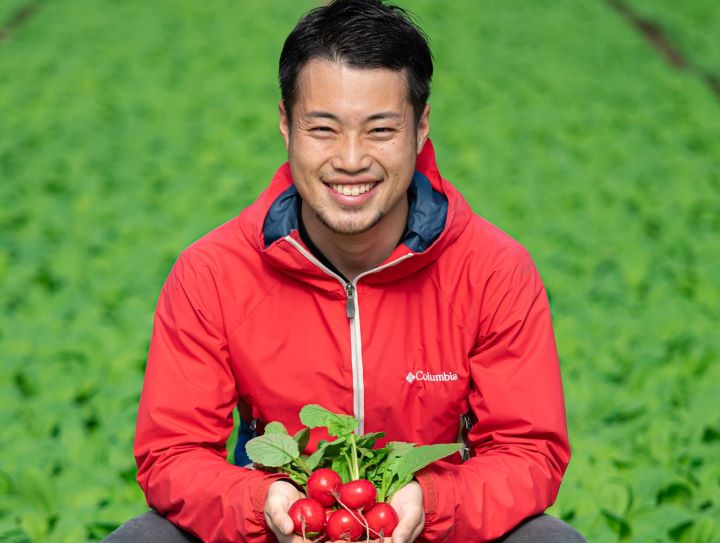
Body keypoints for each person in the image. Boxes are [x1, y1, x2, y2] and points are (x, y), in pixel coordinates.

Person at [105, 1, 586, 542]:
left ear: (421, 127)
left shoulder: (493, 271)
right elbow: (173, 452)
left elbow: (529, 451)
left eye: (380, 130)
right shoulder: (212, 273)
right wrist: (265, 504)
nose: (352, 159)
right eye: (324, 129)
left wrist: (430, 504)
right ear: (286, 124)